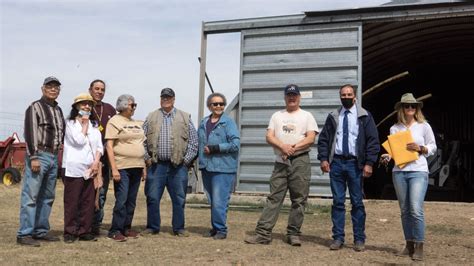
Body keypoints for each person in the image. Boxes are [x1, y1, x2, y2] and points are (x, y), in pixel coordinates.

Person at [245, 84, 318, 247]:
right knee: (274, 198)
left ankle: (293, 233)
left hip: (300, 161)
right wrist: (282, 147)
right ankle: (263, 233)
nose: (292, 98)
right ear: (285, 97)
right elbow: (269, 137)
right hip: (280, 162)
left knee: (299, 199)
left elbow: (311, 138)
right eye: (289, 95)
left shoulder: (307, 116)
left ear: (299, 97)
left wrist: (291, 148)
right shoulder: (277, 116)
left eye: (294, 95)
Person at [317, 84, 380, 252]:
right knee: (338, 202)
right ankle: (338, 238)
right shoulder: (333, 116)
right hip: (336, 163)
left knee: (357, 202)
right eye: (343, 94)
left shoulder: (365, 116)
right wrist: (323, 159)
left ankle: (359, 239)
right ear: (340, 97)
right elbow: (323, 139)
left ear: (354, 96)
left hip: (355, 165)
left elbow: (373, 141)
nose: (346, 97)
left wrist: (369, 163)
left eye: (349, 94)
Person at [380, 93, 436, 261]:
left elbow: (433, 146)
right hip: (399, 171)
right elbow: (393, 150)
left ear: (417, 108)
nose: (410, 108)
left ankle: (419, 245)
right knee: (404, 210)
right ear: (401, 109)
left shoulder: (424, 126)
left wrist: (420, 148)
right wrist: (387, 156)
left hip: (418, 170)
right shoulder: (394, 128)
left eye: (413, 106)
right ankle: (409, 243)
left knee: (415, 208)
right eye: (407, 106)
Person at [143, 87, 198, 236]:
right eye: (163, 97)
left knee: (179, 199)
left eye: (169, 97)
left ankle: (179, 228)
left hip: (178, 167)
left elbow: (194, 142)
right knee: (153, 197)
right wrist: (147, 159)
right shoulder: (151, 117)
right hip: (156, 166)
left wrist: (185, 161)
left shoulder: (185, 117)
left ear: (174, 99)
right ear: (160, 99)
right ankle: (153, 227)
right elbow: (141, 140)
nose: (166, 100)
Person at [17, 76, 65, 246]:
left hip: (53, 157)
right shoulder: (35, 107)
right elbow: (30, 132)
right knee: (31, 196)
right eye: (50, 86)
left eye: (56, 87)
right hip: (40, 155)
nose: (53, 89)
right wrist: (34, 157)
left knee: (47, 196)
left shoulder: (58, 110)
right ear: (43, 89)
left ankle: (40, 231)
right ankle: (24, 234)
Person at [198, 92, 240, 240]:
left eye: (221, 103)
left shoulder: (228, 123)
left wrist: (215, 148)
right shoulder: (203, 123)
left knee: (219, 201)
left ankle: (221, 230)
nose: (218, 106)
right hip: (207, 167)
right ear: (209, 106)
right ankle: (216, 227)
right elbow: (200, 145)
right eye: (215, 104)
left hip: (223, 167)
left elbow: (235, 144)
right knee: (212, 200)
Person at [62, 93, 103, 243]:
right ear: (76, 106)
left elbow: (99, 146)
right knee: (72, 201)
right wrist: (84, 124)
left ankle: (85, 230)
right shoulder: (70, 124)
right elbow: (78, 140)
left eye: (89, 104)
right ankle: (70, 231)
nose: (87, 106)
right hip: (74, 167)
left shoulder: (94, 125)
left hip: (90, 168)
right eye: (83, 104)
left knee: (88, 200)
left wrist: (96, 162)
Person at [106, 94, 146, 242]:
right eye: (132, 105)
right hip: (122, 166)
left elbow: (140, 145)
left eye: (135, 105)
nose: (134, 108)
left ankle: (126, 228)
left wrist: (143, 167)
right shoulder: (114, 122)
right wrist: (114, 169)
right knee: (121, 199)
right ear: (123, 105)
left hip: (137, 165)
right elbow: (109, 146)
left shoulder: (135, 123)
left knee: (131, 200)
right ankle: (115, 230)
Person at [88, 79, 116, 236]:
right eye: (96, 88)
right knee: (86, 193)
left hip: (104, 161)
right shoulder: (84, 106)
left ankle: (96, 225)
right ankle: (84, 224)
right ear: (90, 89)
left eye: (102, 89)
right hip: (87, 159)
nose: (99, 91)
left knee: (102, 192)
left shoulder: (110, 109)